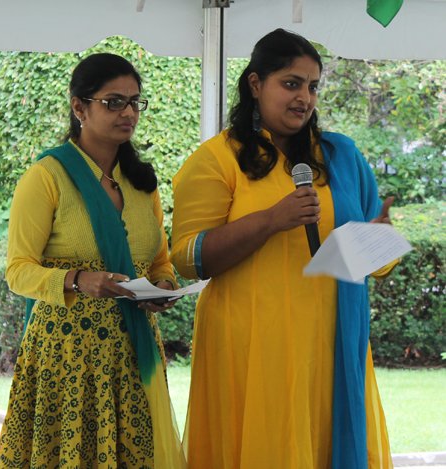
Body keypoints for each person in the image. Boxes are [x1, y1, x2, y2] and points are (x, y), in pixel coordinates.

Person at [170, 29, 397, 469]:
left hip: (332, 344)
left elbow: (375, 263)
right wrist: (271, 220)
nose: (304, 98)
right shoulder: (218, 158)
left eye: (313, 86)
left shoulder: (341, 155)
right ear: (255, 84)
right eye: (291, 83)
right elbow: (189, 257)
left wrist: (380, 239)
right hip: (253, 347)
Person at [0, 53, 186, 469]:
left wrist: (165, 287)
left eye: (135, 102)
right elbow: (17, 270)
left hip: (133, 352)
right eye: (114, 102)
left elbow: (160, 262)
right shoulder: (47, 176)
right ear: (79, 107)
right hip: (67, 355)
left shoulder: (141, 182)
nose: (129, 112)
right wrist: (78, 280)